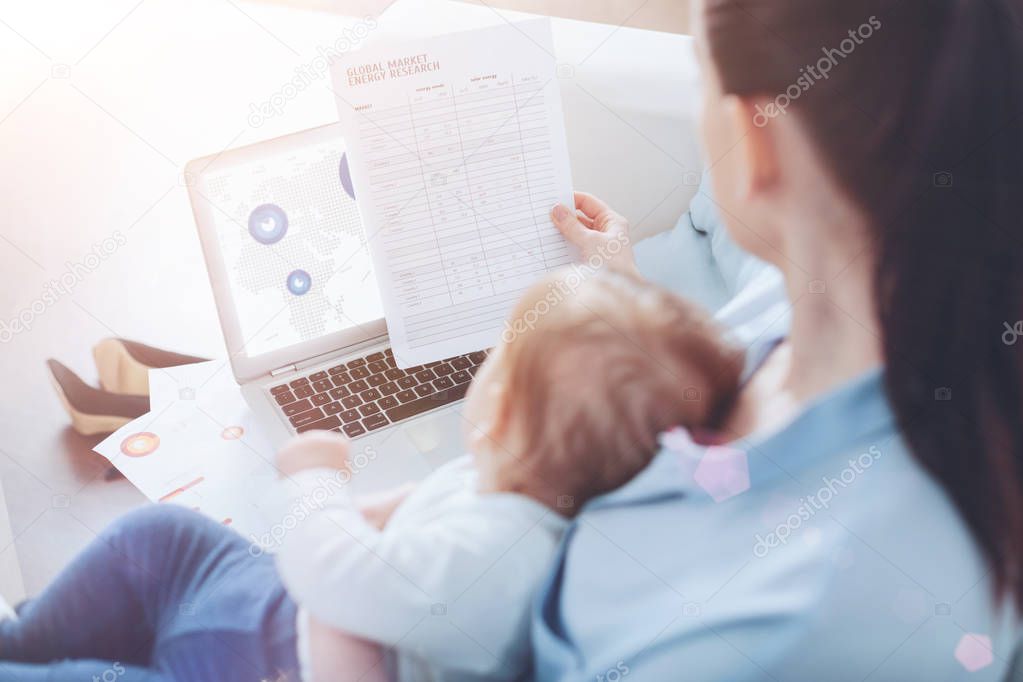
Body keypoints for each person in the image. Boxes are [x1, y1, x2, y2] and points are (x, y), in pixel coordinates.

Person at [533, 0, 1023, 679]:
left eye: (699, 75)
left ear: (752, 139)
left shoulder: (771, 631)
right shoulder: (834, 292)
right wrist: (620, 284)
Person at [0, 269, 742, 681]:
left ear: (502, 411)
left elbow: (344, 578)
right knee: (159, 539)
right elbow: (407, 512)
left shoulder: (504, 558)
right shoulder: (506, 487)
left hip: (256, 665)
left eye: (495, 359)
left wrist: (315, 483)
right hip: (263, 605)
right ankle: (26, 639)